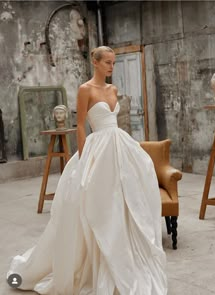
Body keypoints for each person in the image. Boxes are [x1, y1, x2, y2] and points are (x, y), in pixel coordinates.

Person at [7, 46, 167, 295]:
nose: (112, 67)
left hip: (119, 145)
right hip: (97, 148)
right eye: (108, 63)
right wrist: (83, 159)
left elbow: (114, 121)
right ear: (96, 62)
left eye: (114, 63)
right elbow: (80, 126)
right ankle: (91, 261)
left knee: (124, 200)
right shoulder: (85, 90)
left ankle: (123, 258)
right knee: (97, 204)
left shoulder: (113, 89)